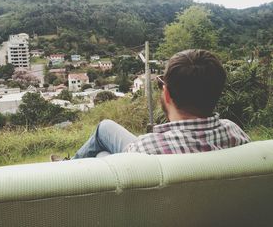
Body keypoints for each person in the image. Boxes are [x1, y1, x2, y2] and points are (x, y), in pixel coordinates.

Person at [51, 49, 250, 161]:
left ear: (167, 94)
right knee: (105, 131)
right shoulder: (235, 133)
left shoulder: (145, 149)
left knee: (103, 140)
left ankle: (68, 171)